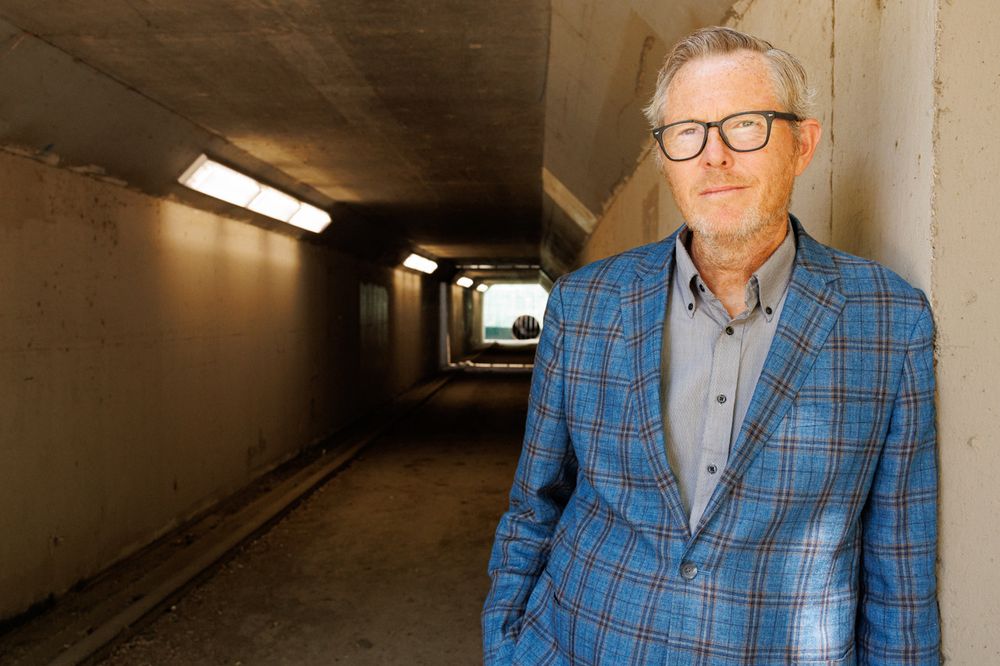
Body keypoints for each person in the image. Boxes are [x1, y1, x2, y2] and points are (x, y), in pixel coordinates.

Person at [482, 26, 939, 665]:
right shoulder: (585, 305)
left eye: (745, 125)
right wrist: (507, 646)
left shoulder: (891, 321)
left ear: (802, 144)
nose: (713, 155)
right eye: (687, 132)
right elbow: (535, 504)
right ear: (665, 155)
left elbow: (900, 570)